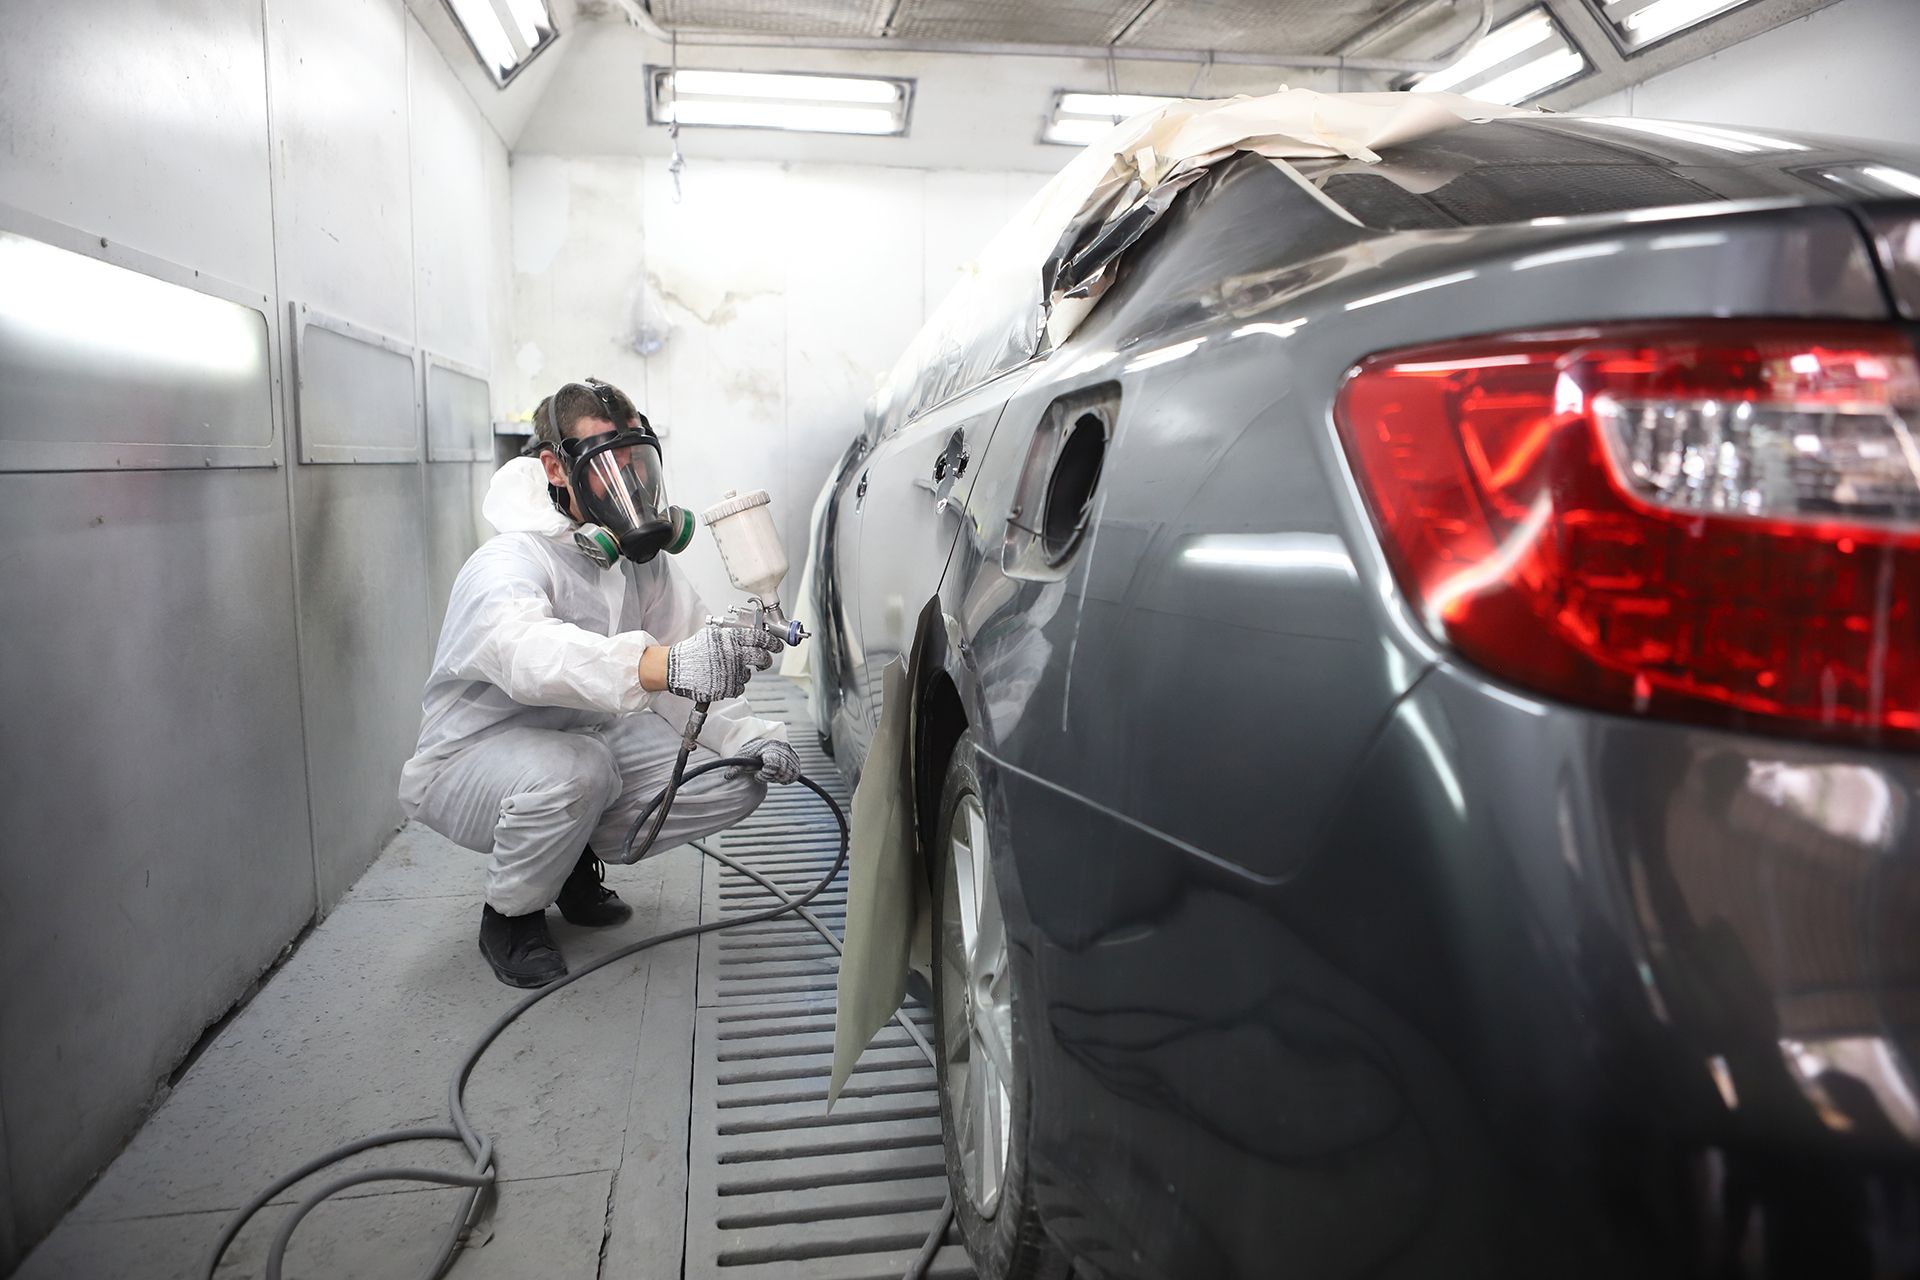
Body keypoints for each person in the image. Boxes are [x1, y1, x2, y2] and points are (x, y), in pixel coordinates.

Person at [399, 378, 800, 988]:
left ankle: (567, 857)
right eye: (604, 464)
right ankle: (511, 915)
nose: (628, 482)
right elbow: (527, 653)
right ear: (556, 468)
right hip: (473, 761)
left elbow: (686, 659)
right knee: (577, 772)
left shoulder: (642, 564)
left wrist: (748, 733)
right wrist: (657, 665)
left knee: (733, 780)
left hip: (581, 745)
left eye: (634, 460)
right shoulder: (508, 561)